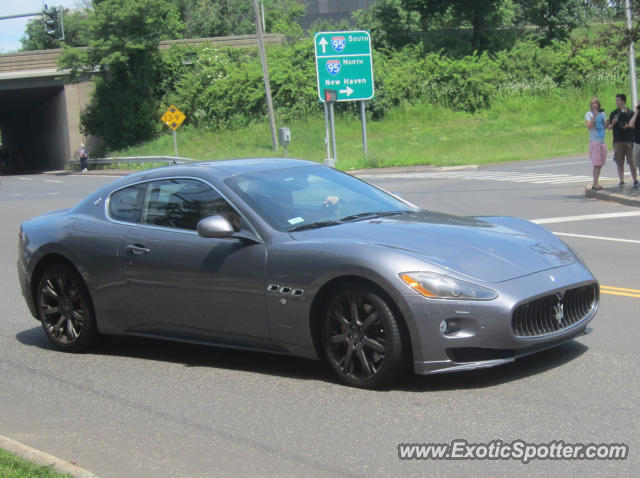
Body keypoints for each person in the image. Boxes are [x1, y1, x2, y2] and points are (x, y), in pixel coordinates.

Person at [608, 93, 638, 188]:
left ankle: (635, 180)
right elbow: (608, 127)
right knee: (619, 161)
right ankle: (621, 181)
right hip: (617, 140)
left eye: (618, 100)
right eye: (616, 100)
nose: (616, 102)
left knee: (632, 161)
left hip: (629, 140)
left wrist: (628, 126)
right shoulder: (613, 113)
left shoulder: (630, 112)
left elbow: (634, 125)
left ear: (623, 101)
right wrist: (613, 123)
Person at [585, 97, 607, 190]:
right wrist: (594, 116)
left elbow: (605, 126)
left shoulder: (602, 114)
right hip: (595, 141)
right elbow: (589, 126)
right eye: (593, 103)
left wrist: (609, 122)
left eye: (596, 103)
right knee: (596, 163)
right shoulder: (588, 114)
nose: (594, 104)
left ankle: (596, 182)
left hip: (602, 140)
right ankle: (595, 183)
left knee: (600, 163)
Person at [627, 104, 640, 190]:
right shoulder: (637, 116)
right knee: (638, 163)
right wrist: (636, 113)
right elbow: (631, 124)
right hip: (637, 142)